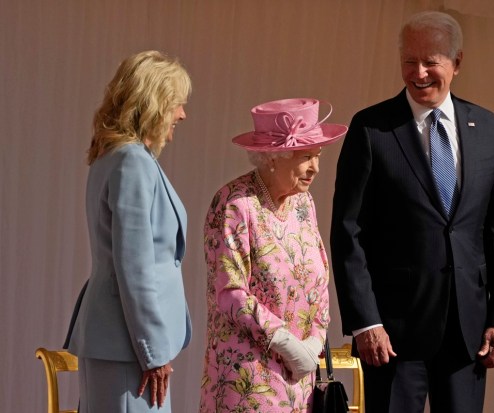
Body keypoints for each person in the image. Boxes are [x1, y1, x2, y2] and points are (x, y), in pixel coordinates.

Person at [330, 11, 494, 413]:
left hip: (468, 331)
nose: (418, 73)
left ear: (457, 63)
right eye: (409, 61)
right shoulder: (372, 129)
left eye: (431, 61)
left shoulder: (487, 128)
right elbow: (348, 233)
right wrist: (366, 321)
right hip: (393, 335)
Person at [199, 98, 348, 412]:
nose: (316, 168)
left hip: (301, 380)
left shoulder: (304, 203)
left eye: (318, 156)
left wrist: (315, 339)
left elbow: (320, 274)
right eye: (306, 156)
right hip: (250, 381)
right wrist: (285, 342)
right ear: (273, 158)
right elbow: (230, 293)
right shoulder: (235, 204)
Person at [66, 50, 193, 412]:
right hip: (129, 349)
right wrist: (153, 352)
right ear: (153, 104)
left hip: (123, 344)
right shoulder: (132, 162)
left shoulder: (115, 157)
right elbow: (134, 267)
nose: (182, 114)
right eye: (177, 104)